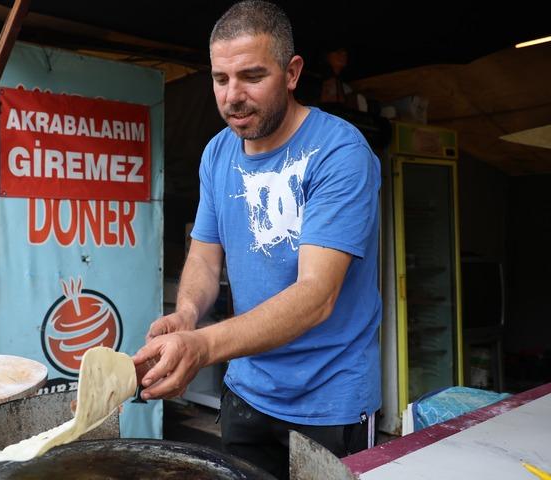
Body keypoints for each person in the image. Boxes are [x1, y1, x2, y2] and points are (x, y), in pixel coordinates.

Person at [132, 1, 381, 477]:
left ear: (291, 72)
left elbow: (316, 297)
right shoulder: (217, 151)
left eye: (251, 76)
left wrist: (202, 346)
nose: (232, 97)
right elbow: (205, 257)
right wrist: (186, 315)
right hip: (246, 390)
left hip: (330, 402)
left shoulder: (339, 152)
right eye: (221, 79)